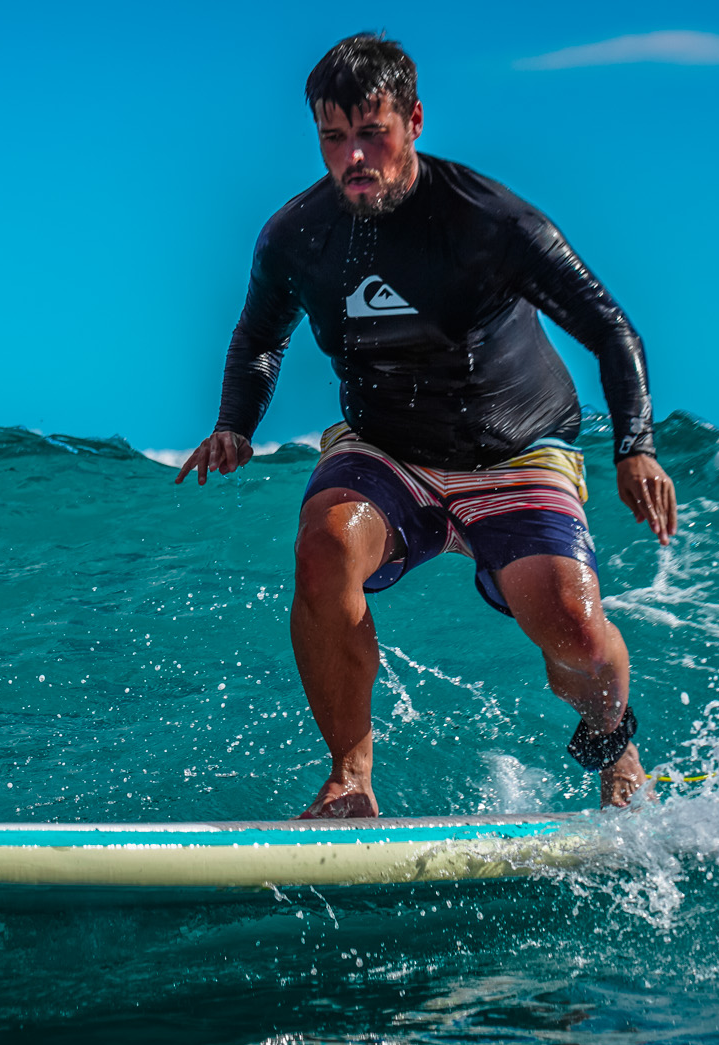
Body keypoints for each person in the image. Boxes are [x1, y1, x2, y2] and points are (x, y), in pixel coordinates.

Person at [176, 33, 679, 814]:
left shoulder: (489, 222)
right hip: (387, 450)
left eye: (371, 133)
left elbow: (612, 329)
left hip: (514, 451)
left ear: (413, 120)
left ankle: (618, 751)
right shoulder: (297, 237)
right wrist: (234, 424)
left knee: (574, 630)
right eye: (334, 139)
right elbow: (258, 336)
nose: (354, 158)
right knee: (326, 542)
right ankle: (350, 781)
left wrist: (635, 449)